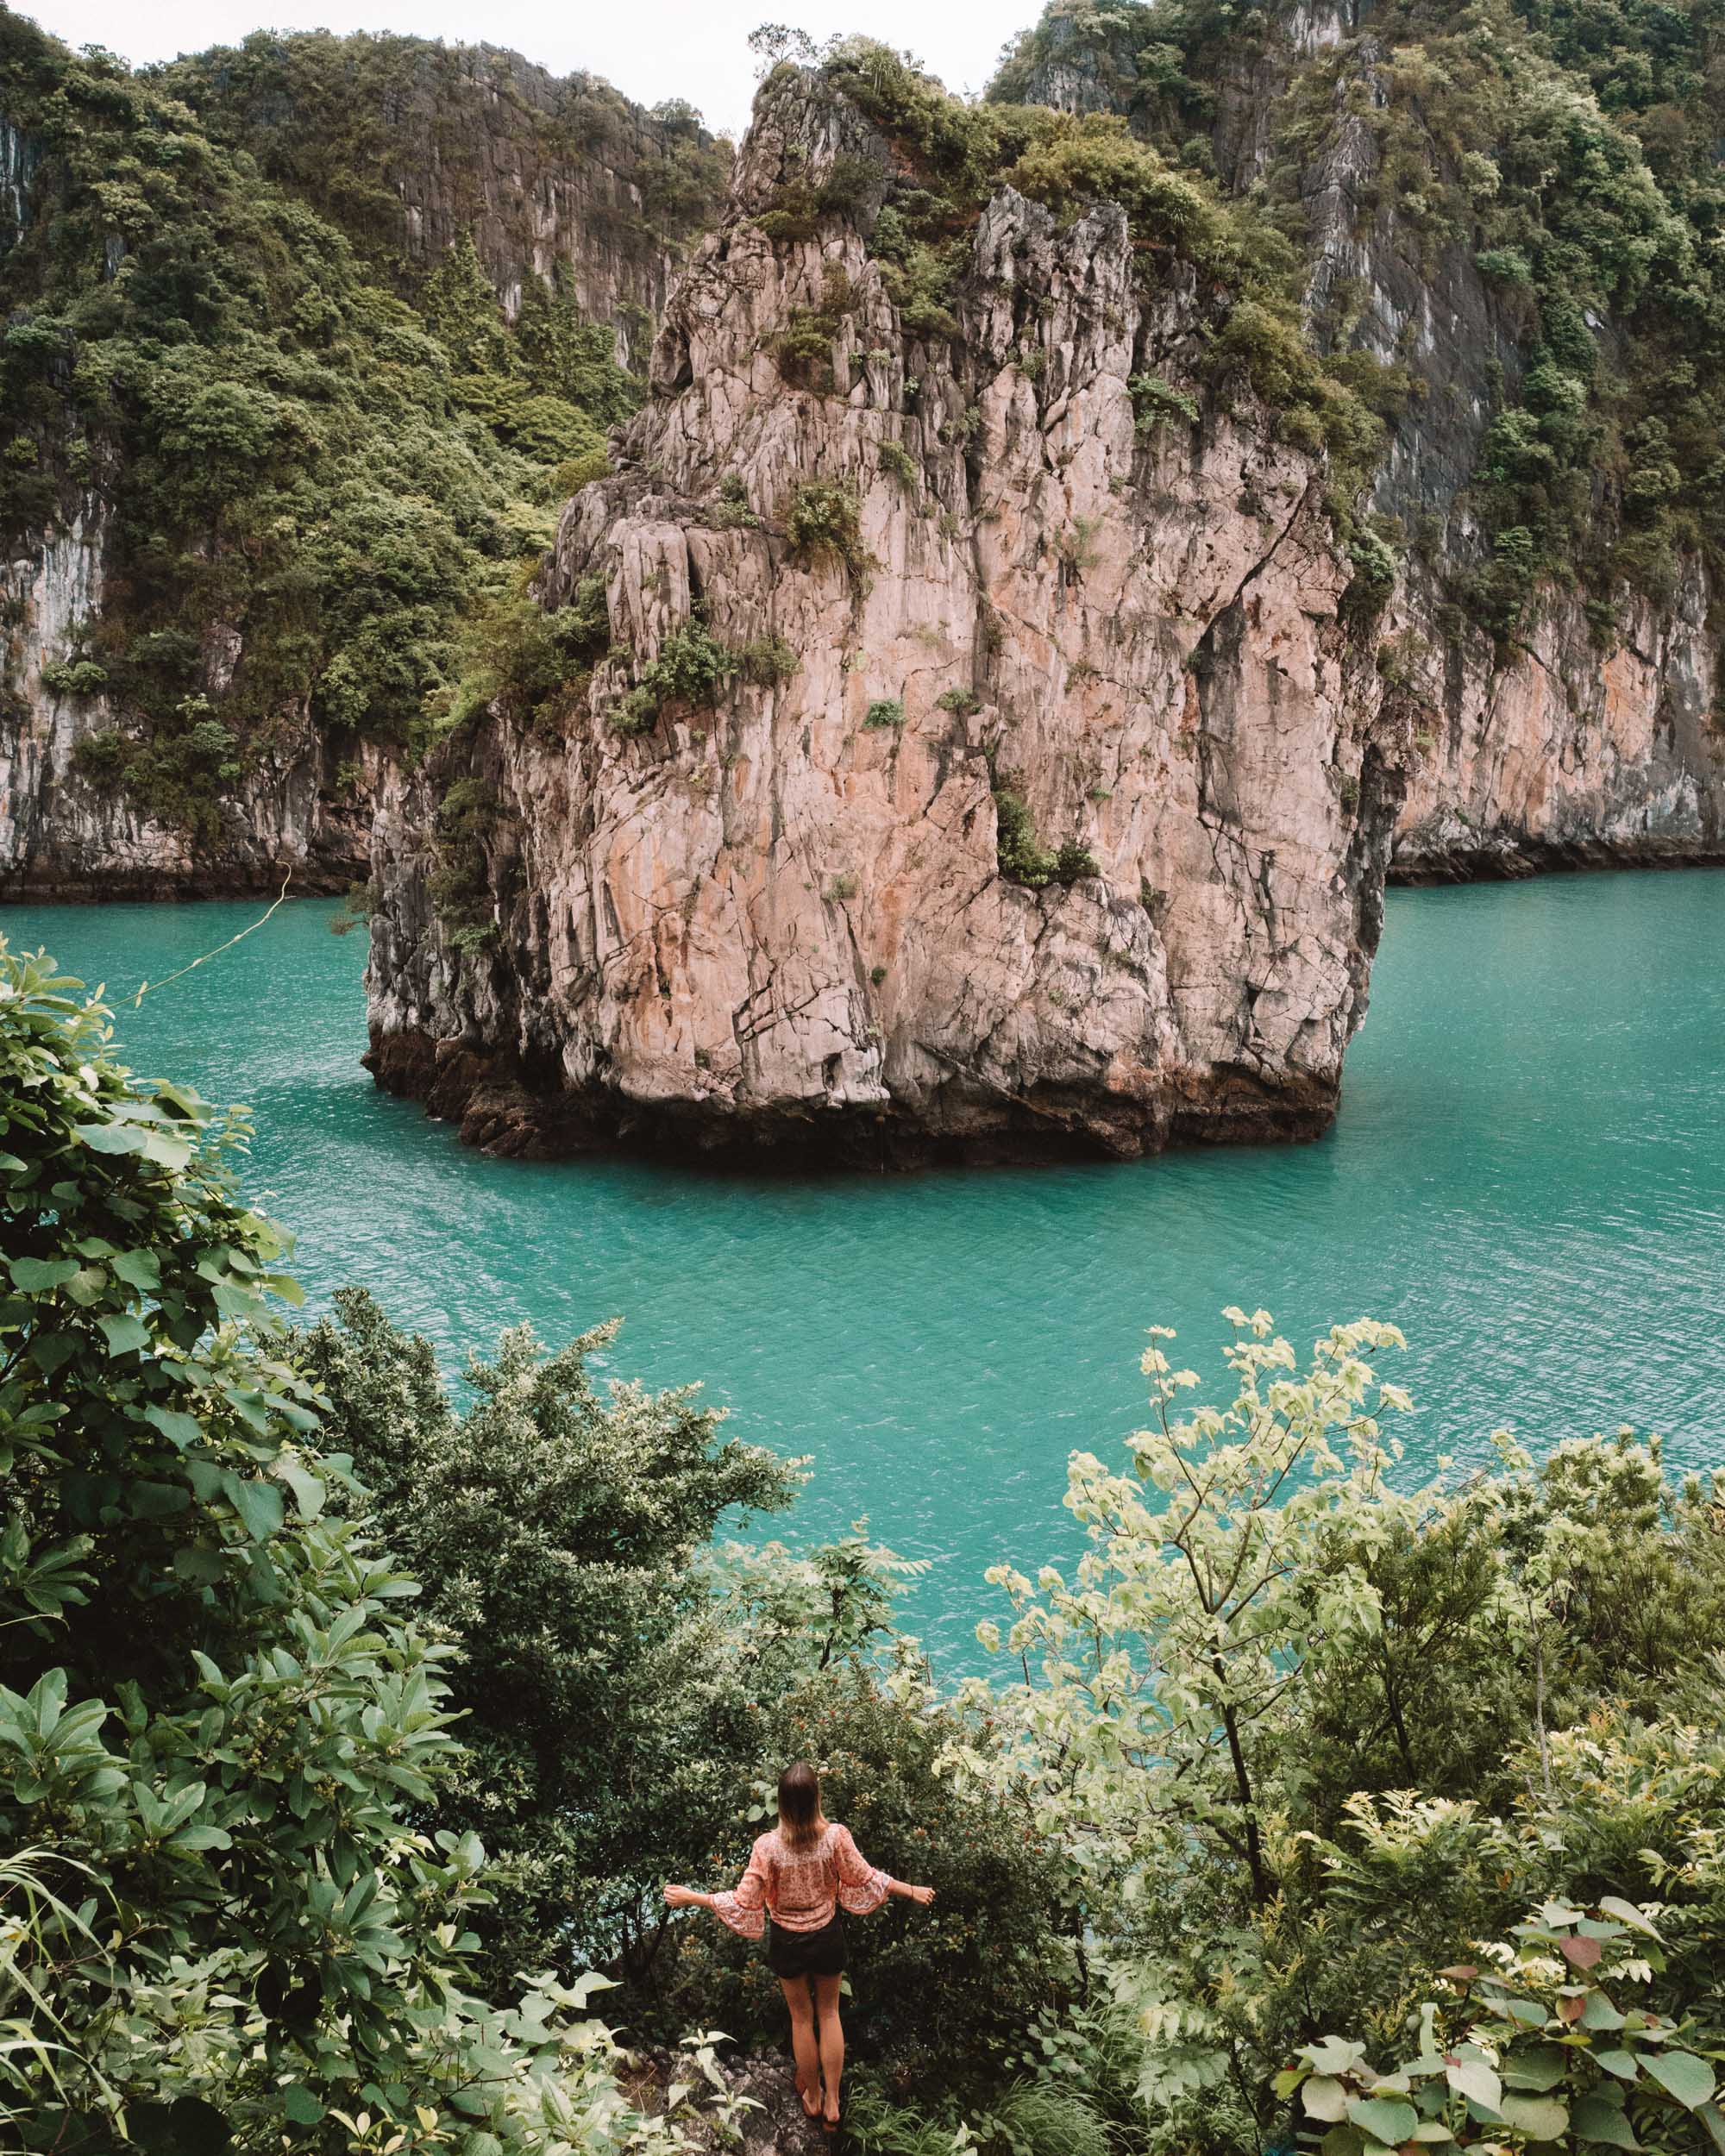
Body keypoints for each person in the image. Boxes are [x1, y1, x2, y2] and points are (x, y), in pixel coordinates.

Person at [663, 1761, 935, 2132]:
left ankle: (813, 2096)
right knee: (829, 2014)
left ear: (781, 1803)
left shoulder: (767, 1847)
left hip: (788, 1941)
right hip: (826, 1936)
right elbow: (868, 1877)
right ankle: (834, 2102)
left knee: (802, 2019)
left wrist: (693, 1896)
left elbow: (743, 1900)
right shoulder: (836, 1837)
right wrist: (911, 1890)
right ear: (816, 1799)